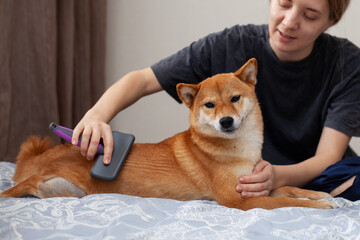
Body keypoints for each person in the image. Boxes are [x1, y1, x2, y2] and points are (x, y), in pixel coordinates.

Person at [72, 0, 360, 200]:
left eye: (310, 15)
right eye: (284, 3)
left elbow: (328, 157)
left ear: (331, 20)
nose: (289, 21)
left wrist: (275, 177)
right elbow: (143, 79)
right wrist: (97, 116)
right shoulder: (229, 44)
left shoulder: (346, 63)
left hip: (312, 175)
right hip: (236, 177)